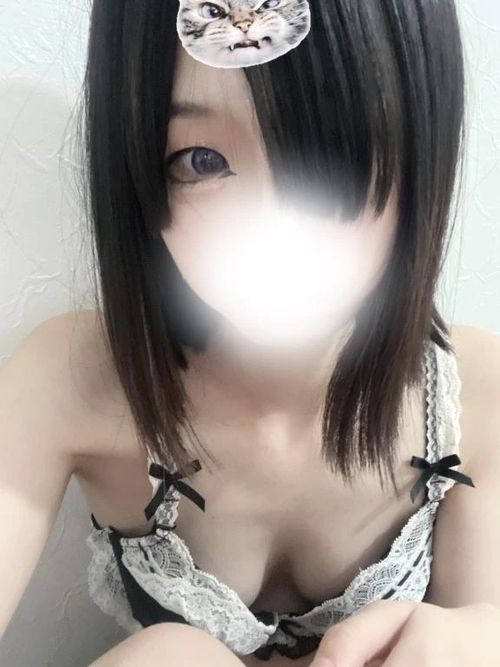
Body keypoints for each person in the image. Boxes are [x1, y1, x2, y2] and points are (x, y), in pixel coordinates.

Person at [1, 1, 497, 666]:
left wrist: (479, 637)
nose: (271, 221)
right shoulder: (71, 378)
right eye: (202, 159)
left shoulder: (476, 397)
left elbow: (478, 620)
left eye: (333, 145)